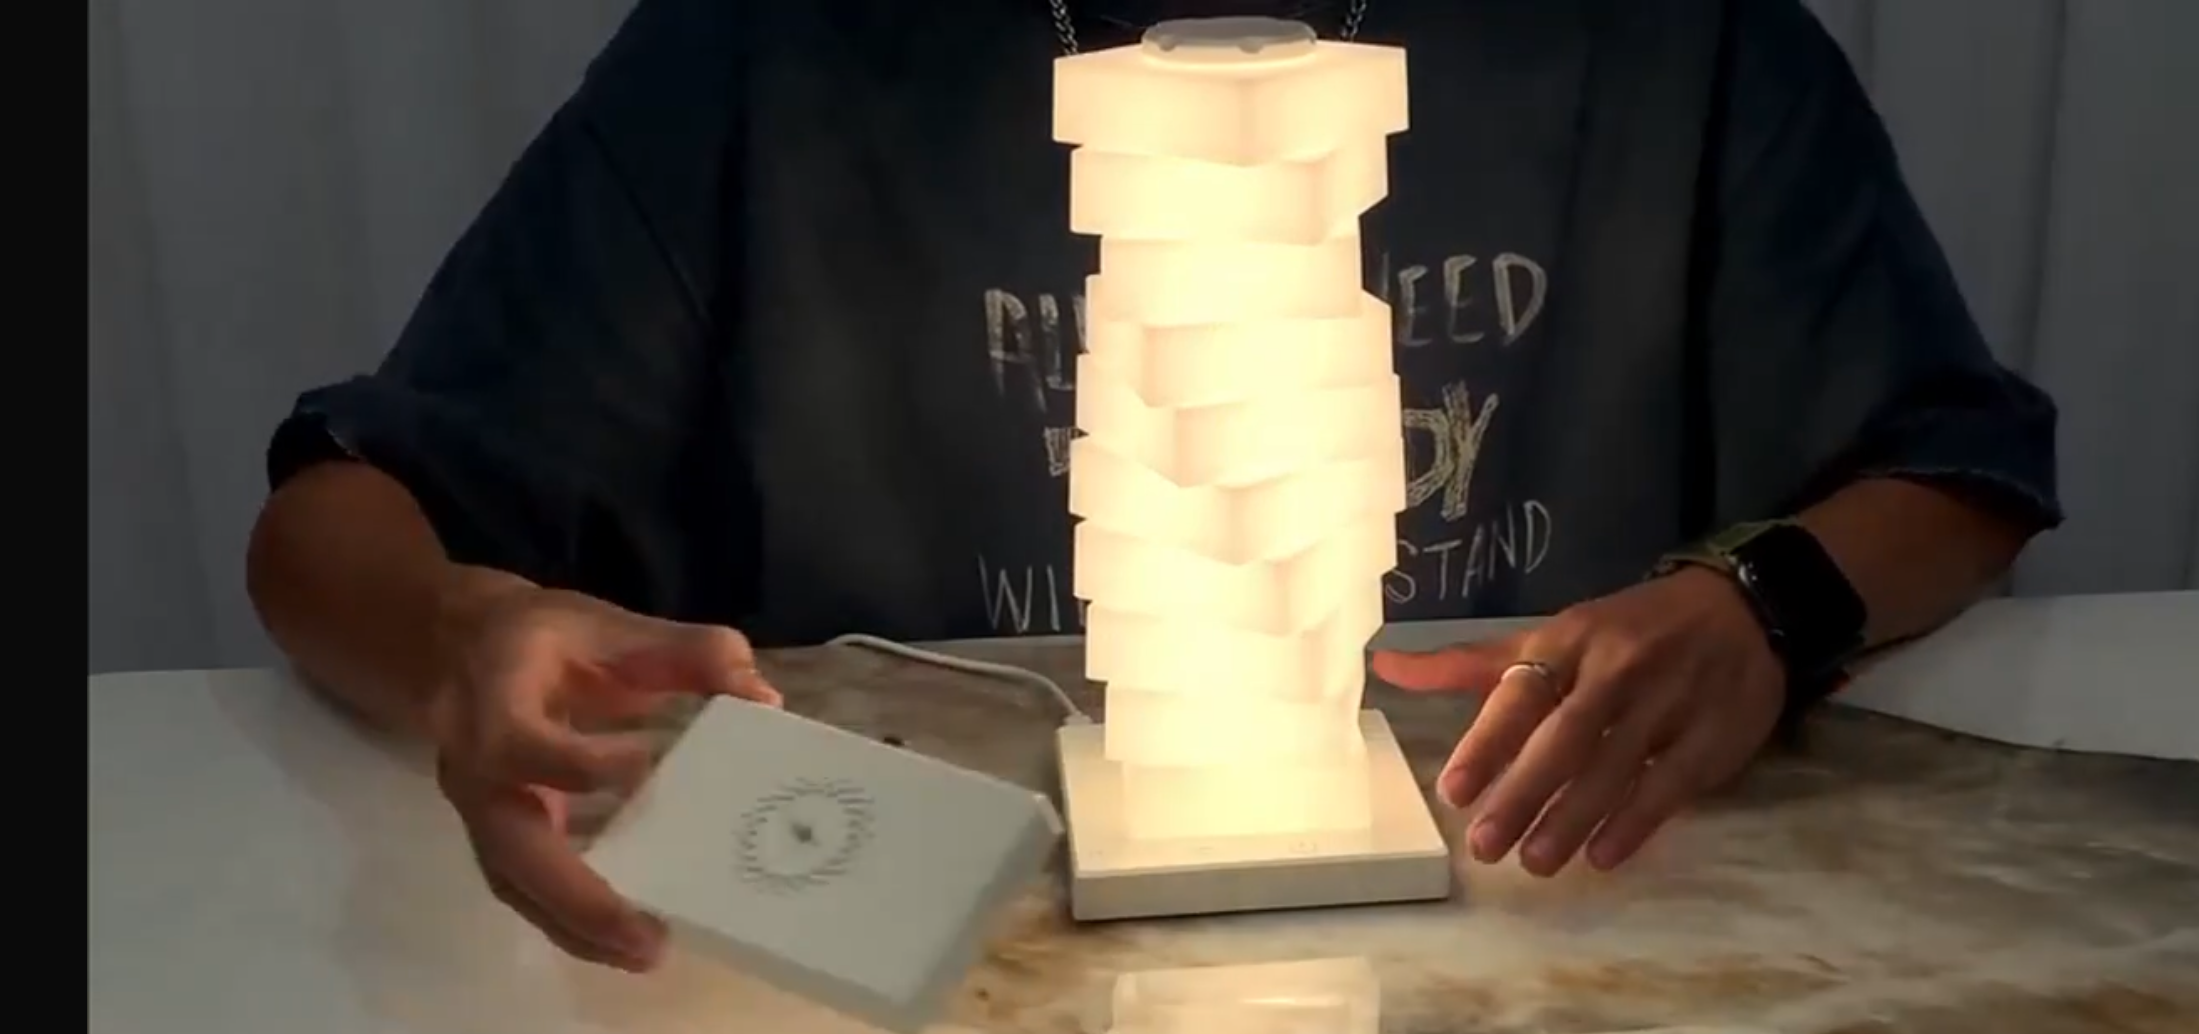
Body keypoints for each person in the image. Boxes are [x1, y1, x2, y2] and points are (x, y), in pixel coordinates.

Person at [248, 0, 2060, 972]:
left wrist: (1764, 600)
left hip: (1548, 968)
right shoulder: (764, 58)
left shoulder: (1672, 43)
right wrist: (461, 632)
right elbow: (331, 524)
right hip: (946, 1005)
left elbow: (1957, 464)